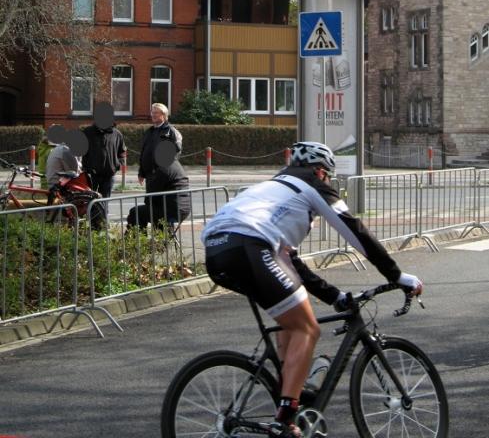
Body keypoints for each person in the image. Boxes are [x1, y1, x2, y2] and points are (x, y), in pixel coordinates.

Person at [201, 141, 423, 438]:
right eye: (328, 176)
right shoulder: (311, 184)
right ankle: (285, 419)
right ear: (321, 171)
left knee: (288, 323)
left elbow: (292, 264)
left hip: (217, 251)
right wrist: (396, 275)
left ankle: (288, 393)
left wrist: (335, 297)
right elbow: (355, 231)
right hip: (250, 246)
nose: (329, 181)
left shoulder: (275, 188)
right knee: (307, 329)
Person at [127, 103, 190, 231]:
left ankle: (161, 238)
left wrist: (166, 166)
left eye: (156, 113)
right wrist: (141, 172)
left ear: (164, 115)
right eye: (152, 112)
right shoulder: (149, 131)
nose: (153, 115)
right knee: (152, 205)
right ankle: (157, 239)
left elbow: (176, 149)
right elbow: (144, 152)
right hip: (151, 174)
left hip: (163, 173)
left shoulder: (171, 131)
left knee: (157, 204)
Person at [82, 102, 126, 201]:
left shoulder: (117, 134)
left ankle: (103, 217)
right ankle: (91, 217)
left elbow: (122, 152)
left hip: (109, 175)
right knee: (90, 201)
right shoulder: (88, 132)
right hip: (92, 175)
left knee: (104, 201)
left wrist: (117, 165)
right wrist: (86, 167)